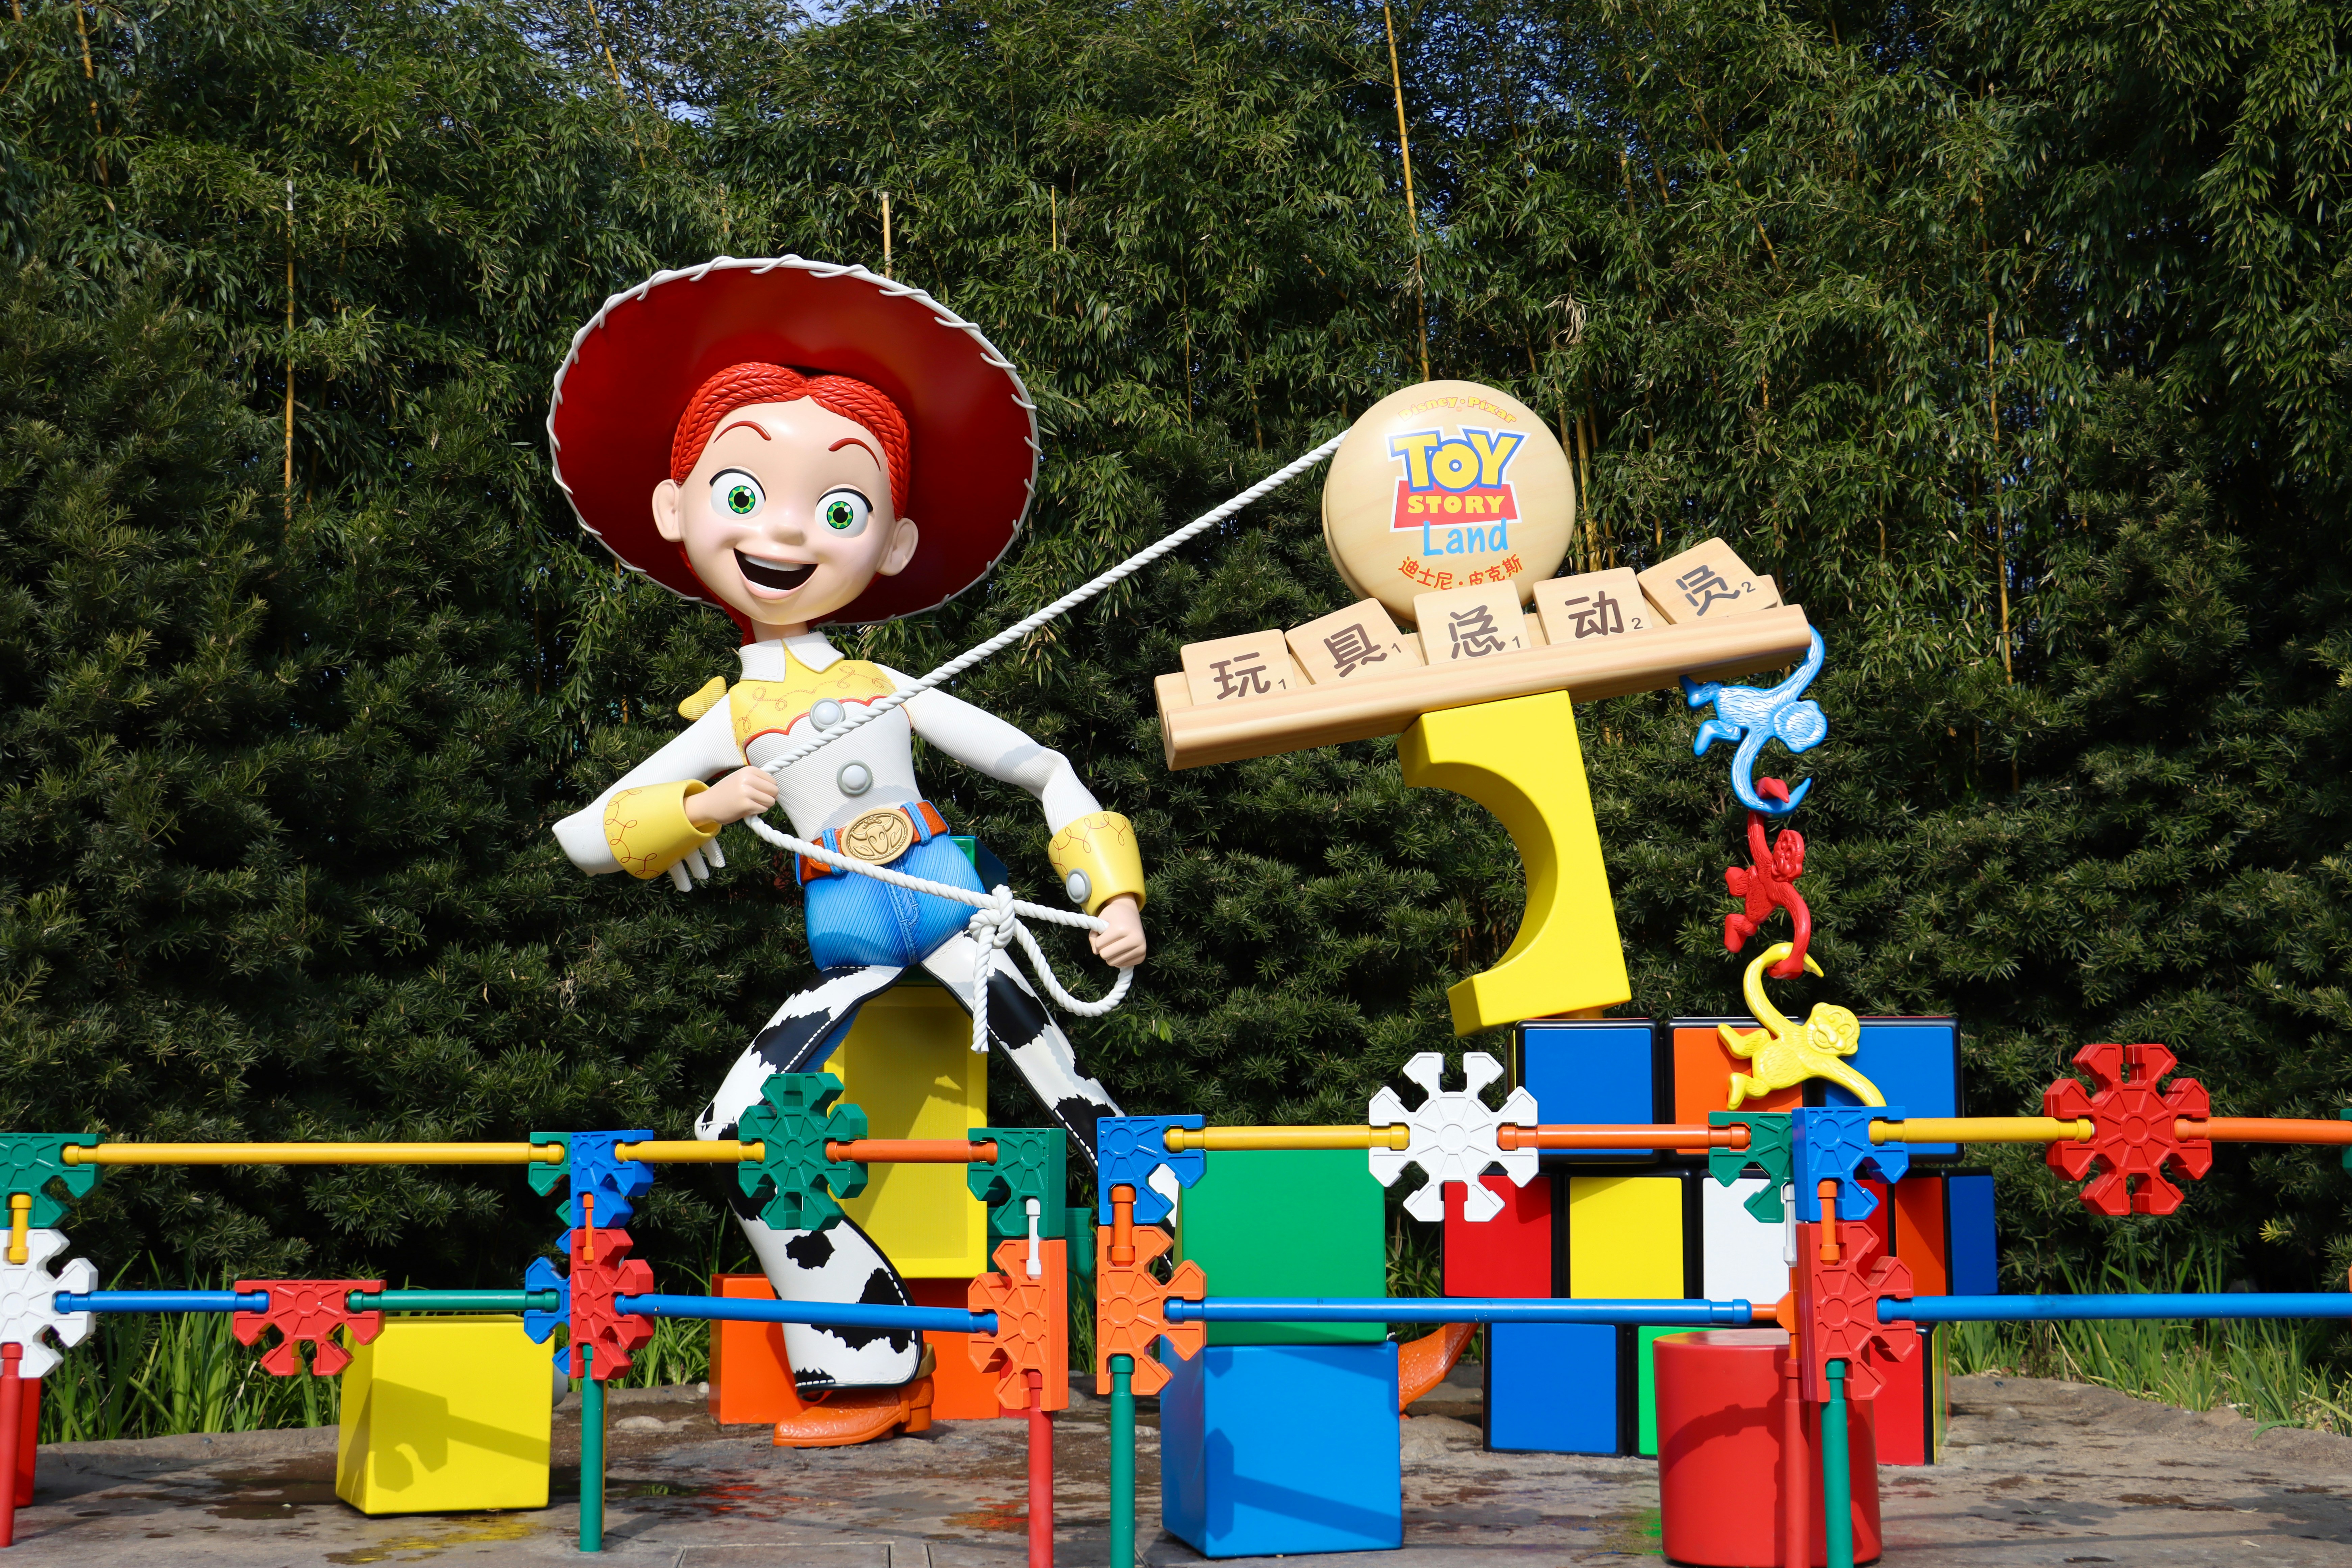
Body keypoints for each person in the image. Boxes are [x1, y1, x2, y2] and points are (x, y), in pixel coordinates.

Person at [545, 257, 1146, 1444]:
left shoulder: (889, 683)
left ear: (894, 540)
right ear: (675, 510)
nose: (784, 532)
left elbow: (1044, 770)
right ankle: (870, 1356)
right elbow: (582, 836)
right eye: (742, 492)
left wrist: (1112, 893)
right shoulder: (732, 718)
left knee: (1094, 1116)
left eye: (837, 510)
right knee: (741, 1133)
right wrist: (703, 808)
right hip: (851, 941)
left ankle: (1231, 1328)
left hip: (961, 915)